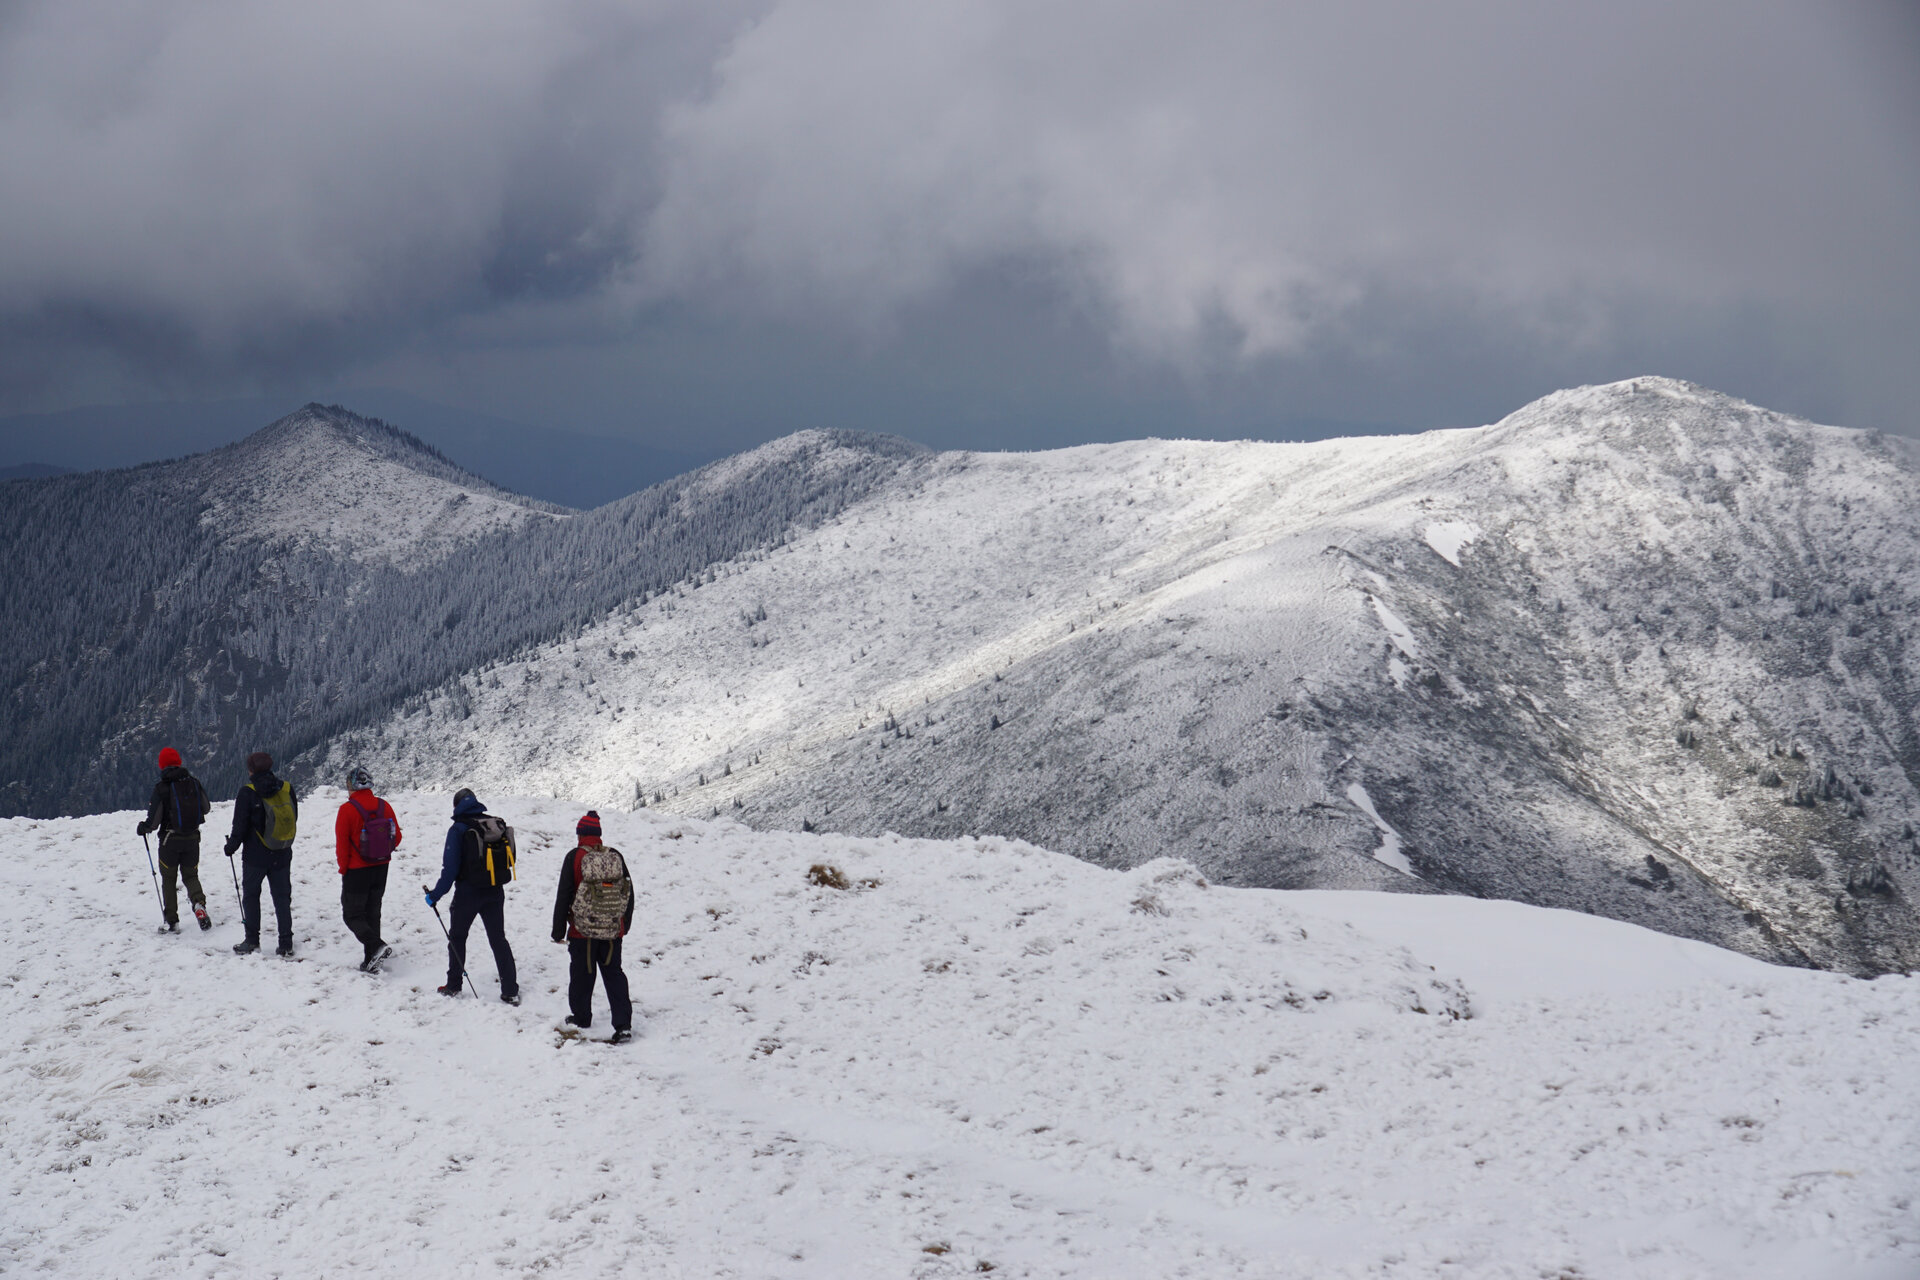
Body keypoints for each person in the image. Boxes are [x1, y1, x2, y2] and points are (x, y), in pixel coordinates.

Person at [425, 788, 520, 1004]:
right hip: (495, 890)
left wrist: (435, 895)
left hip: (468, 893)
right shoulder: (492, 825)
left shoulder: (458, 829)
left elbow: (449, 870)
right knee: (498, 939)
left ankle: (454, 985)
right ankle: (510, 989)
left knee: (457, 937)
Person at [551, 811, 635, 1043]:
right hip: (611, 930)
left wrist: (558, 931)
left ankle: (581, 1017)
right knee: (614, 974)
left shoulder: (575, 857)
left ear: (580, 834)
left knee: (582, 974)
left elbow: (564, 895)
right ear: (598, 835)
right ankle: (623, 1025)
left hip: (582, 931)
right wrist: (623, 925)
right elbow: (628, 892)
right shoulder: (615, 855)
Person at [225, 750, 298, 957]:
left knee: (251, 896)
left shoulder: (247, 792)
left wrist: (231, 846)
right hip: (282, 852)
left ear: (250, 770)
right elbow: (294, 817)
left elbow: (239, 827)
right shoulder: (286, 788)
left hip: (255, 857)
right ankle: (286, 943)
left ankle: (252, 941)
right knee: (282, 898)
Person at [136, 747, 212, 933]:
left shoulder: (162, 788)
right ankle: (199, 904)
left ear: (162, 765)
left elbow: (153, 822)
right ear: (179, 762)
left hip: (169, 841)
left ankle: (172, 920)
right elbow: (206, 807)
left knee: (169, 879)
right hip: (192, 839)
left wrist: (143, 827)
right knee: (191, 875)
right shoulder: (193, 782)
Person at [335, 766, 401, 972]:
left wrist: (344, 868)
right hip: (381, 866)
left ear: (351, 786)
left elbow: (342, 845)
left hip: (357, 869)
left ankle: (377, 946)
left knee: (352, 914)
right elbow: (396, 837)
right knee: (373, 911)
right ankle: (371, 959)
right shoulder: (384, 805)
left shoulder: (347, 810)